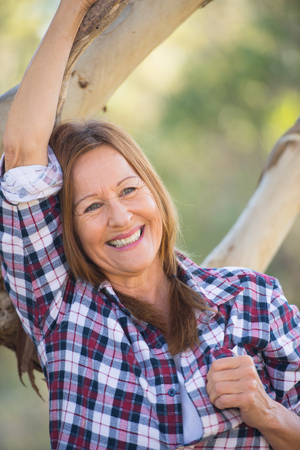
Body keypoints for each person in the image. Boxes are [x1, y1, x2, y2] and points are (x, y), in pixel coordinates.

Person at [1, 1, 300, 449]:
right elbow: (23, 155)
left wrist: (266, 411)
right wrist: (73, 8)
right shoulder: (62, 306)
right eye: (91, 207)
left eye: (128, 191)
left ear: (155, 193)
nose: (121, 218)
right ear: (70, 231)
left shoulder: (253, 299)